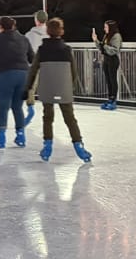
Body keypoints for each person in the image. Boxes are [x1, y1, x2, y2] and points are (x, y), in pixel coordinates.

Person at [24, 17, 92, 163]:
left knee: (47, 117)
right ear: (61, 31)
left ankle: (47, 147)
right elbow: (73, 71)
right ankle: (79, 146)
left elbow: (33, 70)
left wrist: (28, 87)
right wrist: (69, 86)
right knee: (70, 118)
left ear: (48, 32)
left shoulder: (42, 50)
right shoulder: (67, 50)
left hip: (47, 87)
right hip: (63, 87)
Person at [0, 16, 34, 149]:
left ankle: (1, 137)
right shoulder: (23, 39)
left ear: (0, 27)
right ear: (13, 26)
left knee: (3, 106)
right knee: (17, 107)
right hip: (23, 75)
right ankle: (21, 136)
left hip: (6, 75)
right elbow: (32, 57)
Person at [92, 21, 124, 110]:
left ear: (111, 27)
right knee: (108, 80)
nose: (104, 29)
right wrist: (96, 40)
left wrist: (104, 46)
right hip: (106, 59)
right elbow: (102, 47)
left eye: (106, 27)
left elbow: (114, 50)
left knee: (113, 80)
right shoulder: (106, 36)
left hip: (113, 60)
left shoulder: (116, 36)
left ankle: (113, 100)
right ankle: (110, 98)